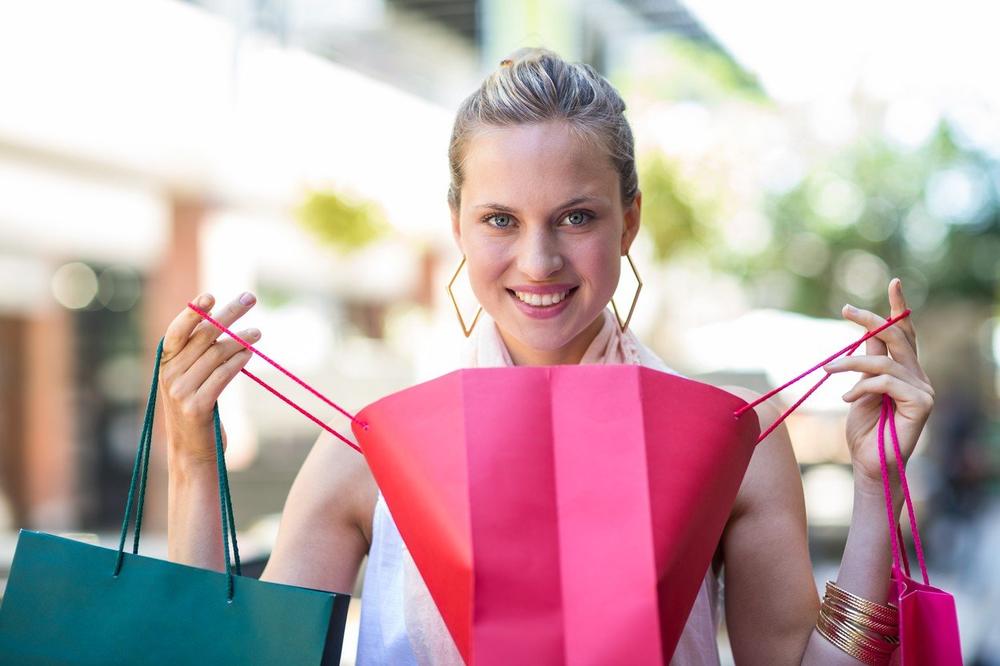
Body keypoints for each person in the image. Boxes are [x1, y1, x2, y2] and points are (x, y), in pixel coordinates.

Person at [161, 48, 935, 664]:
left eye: (575, 217)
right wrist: (193, 461)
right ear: (458, 225)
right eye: (500, 219)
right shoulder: (372, 445)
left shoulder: (729, 435)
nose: (538, 261)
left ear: (629, 223)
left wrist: (877, 488)